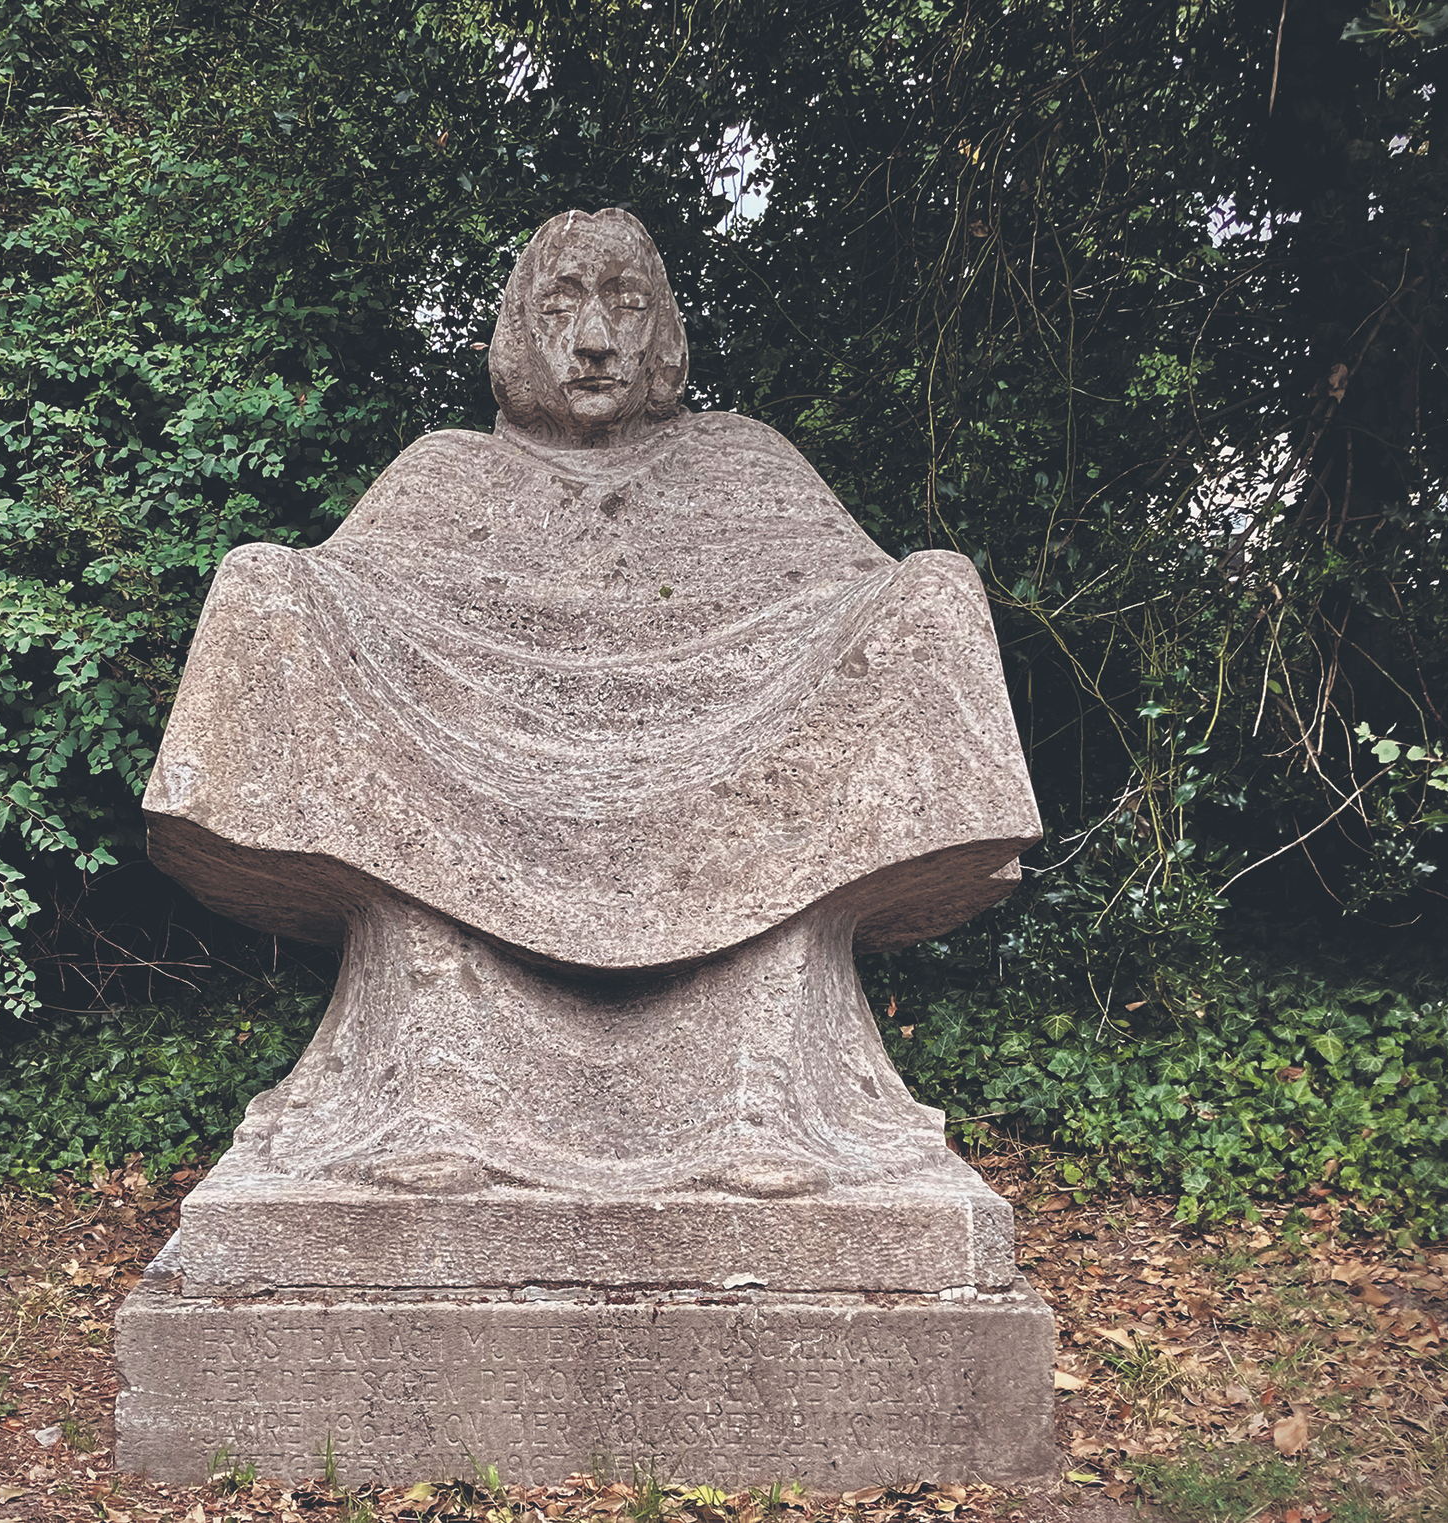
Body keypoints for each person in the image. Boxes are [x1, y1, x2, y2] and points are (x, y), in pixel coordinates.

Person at [144, 210, 1040, 1198]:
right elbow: (340, 599)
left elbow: (856, 604)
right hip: (474, 804)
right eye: (562, 305)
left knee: (936, 586)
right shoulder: (446, 476)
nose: (597, 337)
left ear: (665, 331)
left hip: (727, 814)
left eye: (628, 303)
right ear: (521, 329)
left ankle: (764, 1096)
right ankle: (441, 1093)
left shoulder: (744, 468)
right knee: (263, 580)